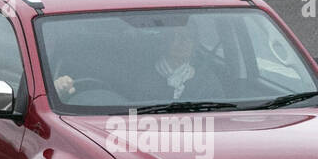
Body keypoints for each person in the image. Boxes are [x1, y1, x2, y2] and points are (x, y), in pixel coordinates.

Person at [55, 23, 212, 101]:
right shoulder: (136, 73)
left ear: (195, 44)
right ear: (166, 40)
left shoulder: (206, 79)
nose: (181, 43)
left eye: (187, 38)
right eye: (175, 37)